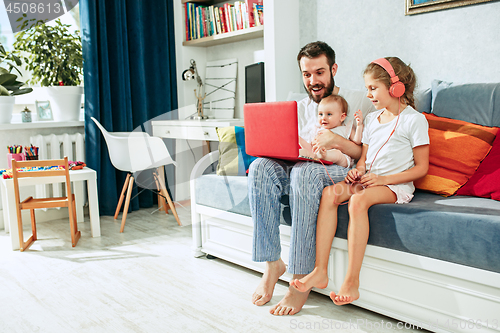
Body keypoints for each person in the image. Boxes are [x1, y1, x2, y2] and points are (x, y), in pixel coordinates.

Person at [289, 57, 430, 306]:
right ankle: (320, 270)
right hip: (369, 179)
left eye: (373, 88)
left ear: (396, 87)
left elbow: (421, 168)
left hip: (394, 185)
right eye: (367, 88)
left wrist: (383, 179)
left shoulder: (414, 120)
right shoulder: (373, 119)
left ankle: (352, 281)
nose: (369, 95)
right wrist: (359, 170)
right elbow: (364, 157)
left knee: (358, 201)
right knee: (330, 194)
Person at [249, 41, 375, 316]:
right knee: (260, 167)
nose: (313, 81)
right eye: (307, 74)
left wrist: (336, 140)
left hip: (342, 170)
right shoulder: (299, 106)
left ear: (334, 69)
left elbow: (365, 152)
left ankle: (300, 280)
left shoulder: (360, 100)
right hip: (301, 166)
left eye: (319, 72)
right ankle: (272, 264)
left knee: (304, 173)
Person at [300, 94, 363, 168]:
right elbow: (311, 145)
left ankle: (324, 155)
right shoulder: (319, 129)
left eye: (329, 114)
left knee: (337, 154)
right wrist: (299, 139)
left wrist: (359, 126)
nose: (323, 118)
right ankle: (304, 152)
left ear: (342, 117)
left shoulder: (346, 128)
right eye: (320, 114)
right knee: (305, 148)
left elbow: (357, 141)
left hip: (342, 159)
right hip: (318, 155)